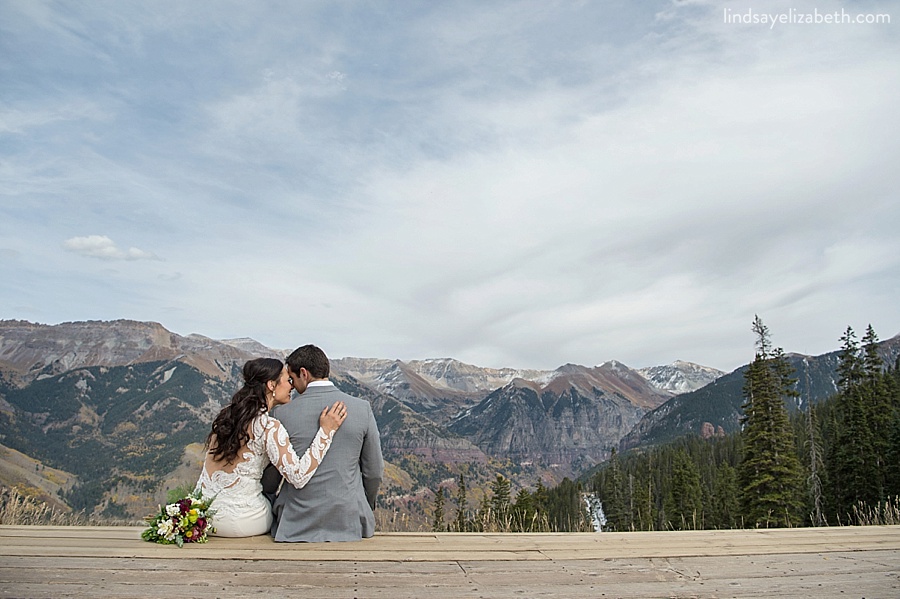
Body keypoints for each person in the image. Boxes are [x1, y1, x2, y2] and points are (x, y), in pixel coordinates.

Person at [195, 357, 347, 537]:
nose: (291, 386)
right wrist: (326, 432)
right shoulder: (269, 427)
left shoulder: (226, 419)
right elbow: (298, 477)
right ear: (271, 385)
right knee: (278, 506)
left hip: (202, 516)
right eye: (287, 380)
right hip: (242, 520)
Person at [263, 344, 384, 542]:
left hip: (294, 523)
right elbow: (375, 471)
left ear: (304, 373)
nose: (292, 386)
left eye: (292, 379)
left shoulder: (281, 414)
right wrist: (364, 504)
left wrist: (268, 500)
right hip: (350, 520)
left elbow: (272, 475)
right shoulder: (362, 409)